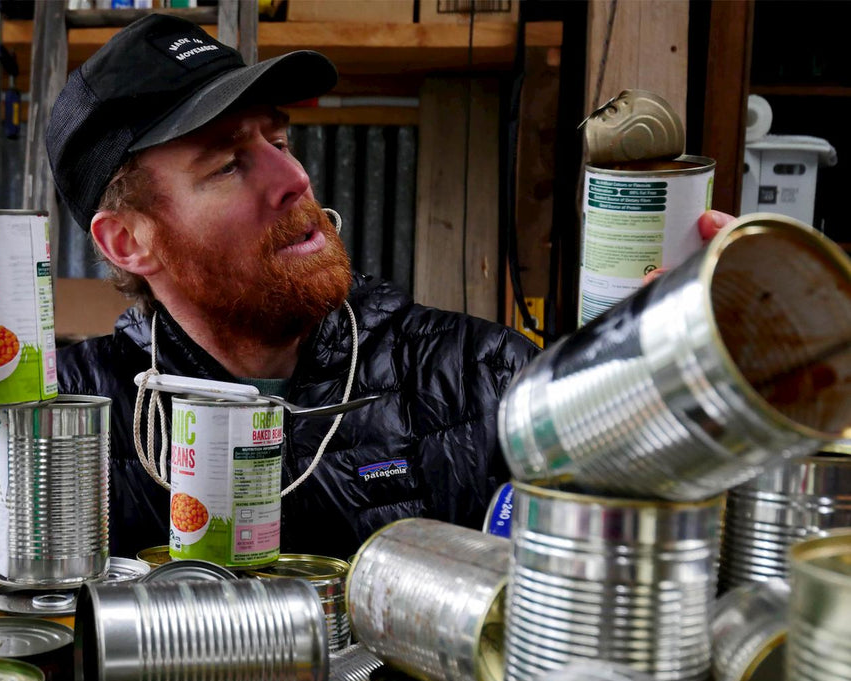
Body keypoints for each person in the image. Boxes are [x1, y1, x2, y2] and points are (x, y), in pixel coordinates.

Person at [48, 13, 732, 560]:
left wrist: (705, 371)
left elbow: (642, 558)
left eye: (280, 144)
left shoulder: (484, 378)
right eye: (228, 165)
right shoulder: (63, 429)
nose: (295, 179)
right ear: (127, 241)